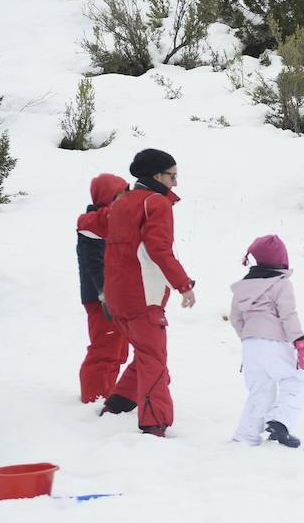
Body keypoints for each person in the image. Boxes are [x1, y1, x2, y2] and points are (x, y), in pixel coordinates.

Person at [77, 148, 195, 437]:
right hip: (143, 300)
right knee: (154, 360)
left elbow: (87, 224)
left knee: (146, 354)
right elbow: (159, 249)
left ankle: (117, 404)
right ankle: (155, 424)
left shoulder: (121, 203)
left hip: (118, 299)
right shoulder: (156, 203)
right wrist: (184, 285)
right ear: (156, 175)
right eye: (172, 176)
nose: (175, 183)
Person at [230, 234, 304, 448]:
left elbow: (236, 318)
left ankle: (246, 436)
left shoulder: (242, 288)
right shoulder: (281, 284)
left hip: (250, 345)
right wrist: (300, 343)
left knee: (260, 390)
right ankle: (280, 423)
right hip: (274, 342)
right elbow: (288, 314)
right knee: (294, 380)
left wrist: (249, 337)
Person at [76, 173, 129, 404]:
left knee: (119, 351)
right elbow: (94, 264)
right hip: (101, 300)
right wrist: (104, 293)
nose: (125, 200)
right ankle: (94, 397)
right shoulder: (92, 225)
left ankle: (107, 393)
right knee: (104, 349)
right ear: (108, 197)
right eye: (121, 195)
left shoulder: (110, 224)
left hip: (116, 297)